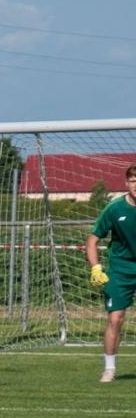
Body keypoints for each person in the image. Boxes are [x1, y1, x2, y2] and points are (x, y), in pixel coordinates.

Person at [85, 163, 136, 384]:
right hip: (120, 270)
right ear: (127, 183)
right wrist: (96, 267)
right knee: (115, 319)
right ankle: (109, 369)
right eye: (134, 181)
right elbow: (92, 241)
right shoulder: (114, 209)